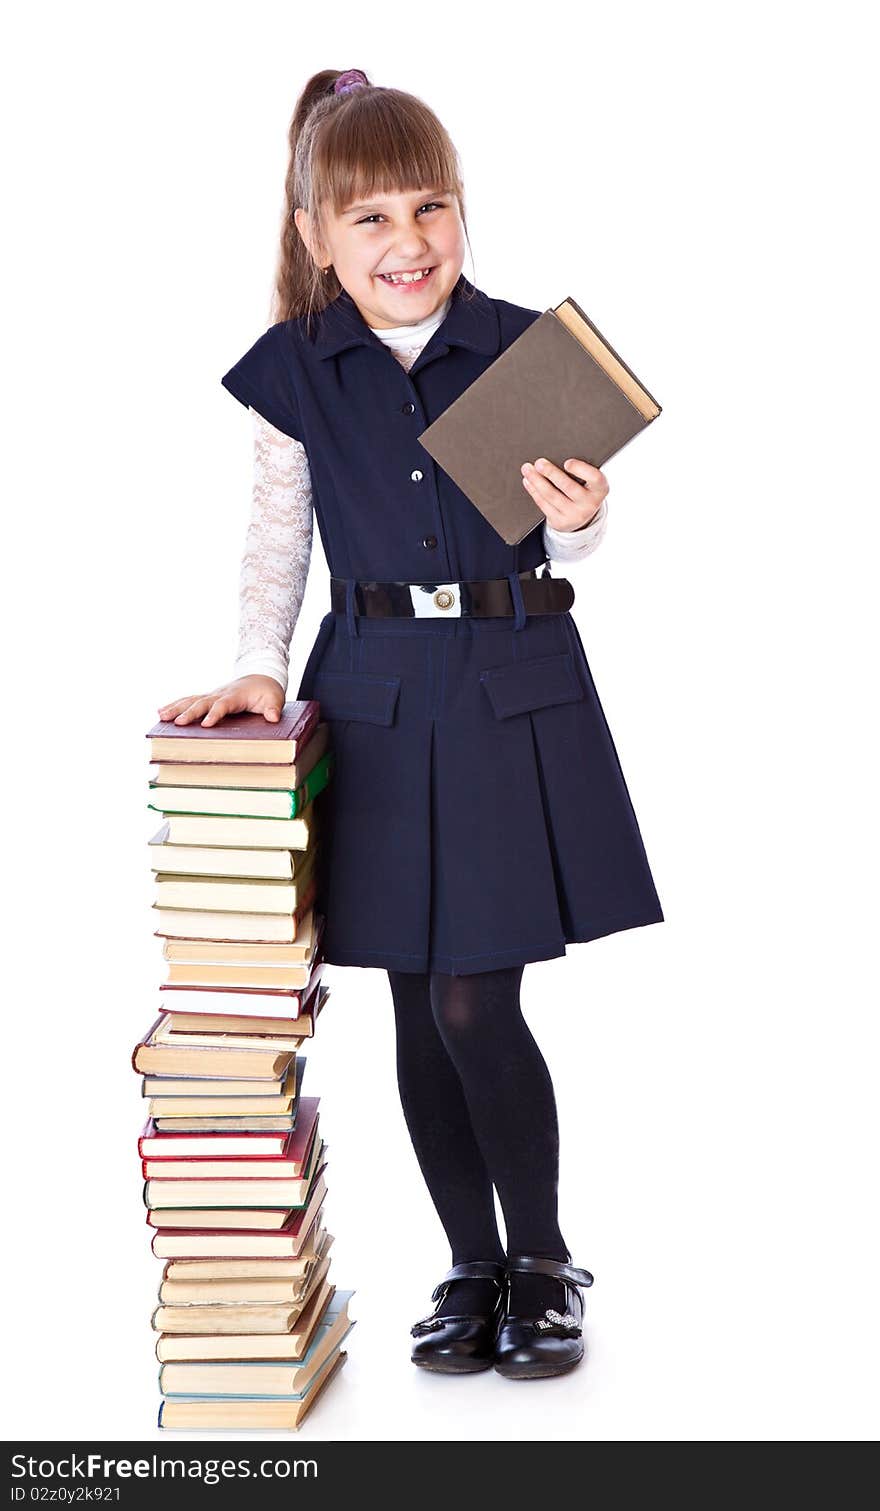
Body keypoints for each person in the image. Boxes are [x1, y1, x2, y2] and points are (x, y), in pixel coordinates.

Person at [158, 67, 664, 1381]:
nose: (410, 241)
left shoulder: (520, 349)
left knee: (473, 1002)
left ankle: (544, 1261)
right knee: (407, 1006)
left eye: (430, 207)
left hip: (506, 681)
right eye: (372, 218)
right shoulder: (297, 372)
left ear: (461, 214)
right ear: (318, 233)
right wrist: (257, 670)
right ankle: (470, 1267)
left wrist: (586, 509)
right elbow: (279, 533)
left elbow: (572, 527)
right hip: (374, 689)